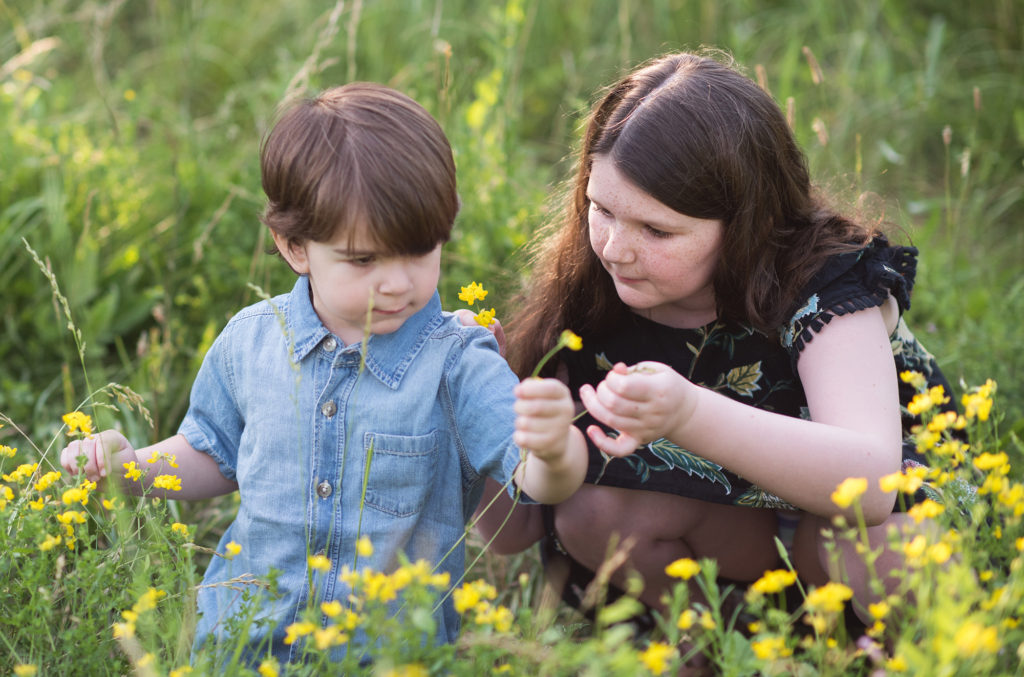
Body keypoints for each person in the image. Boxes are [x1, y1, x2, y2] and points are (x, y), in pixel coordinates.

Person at [59, 83, 593, 665]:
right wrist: (132, 470)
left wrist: (553, 449)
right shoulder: (252, 341)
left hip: (387, 658)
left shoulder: (459, 361)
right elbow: (212, 451)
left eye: (420, 252)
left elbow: (539, 482)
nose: (398, 283)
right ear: (294, 247)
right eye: (363, 260)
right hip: (240, 646)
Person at [471, 50, 958, 627]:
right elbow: (515, 532)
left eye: (657, 230)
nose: (616, 249)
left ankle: (889, 652)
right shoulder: (591, 294)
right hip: (731, 548)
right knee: (591, 509)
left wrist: (688, 414)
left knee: (884, 548)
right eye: (600, 209)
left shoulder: (823, 287)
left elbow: (874, 487)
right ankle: (710, 642)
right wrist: (478, 400)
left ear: (748, 222)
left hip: (853, 543)